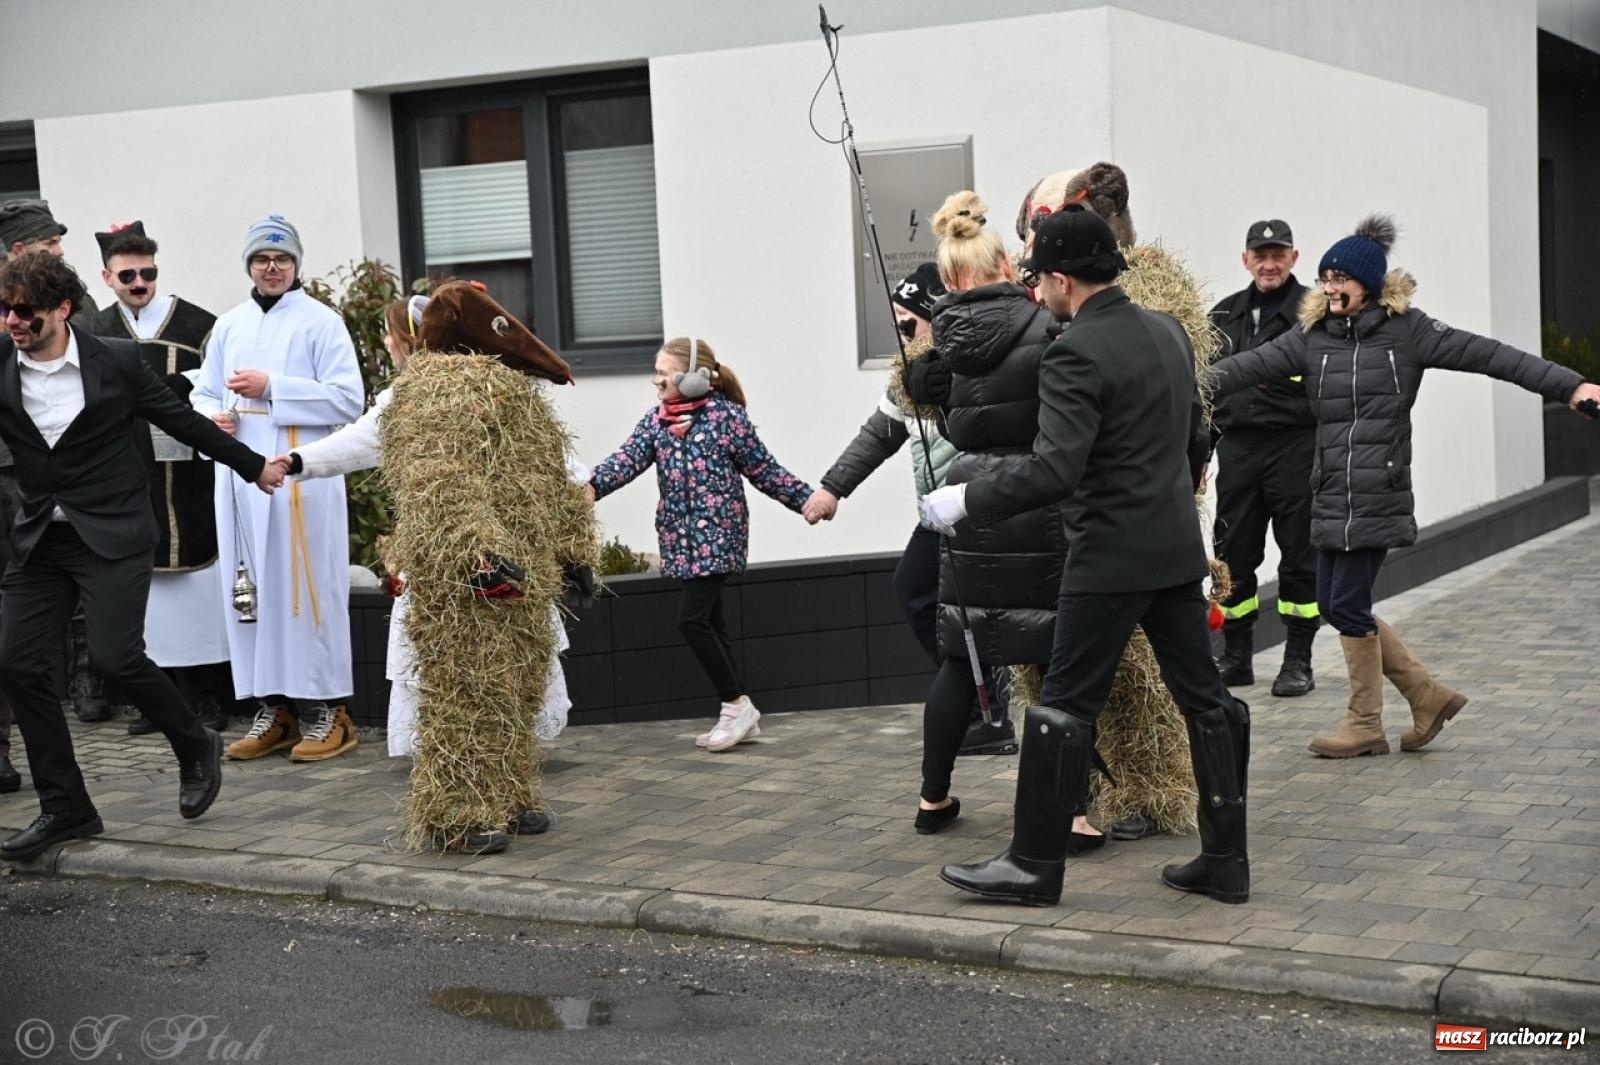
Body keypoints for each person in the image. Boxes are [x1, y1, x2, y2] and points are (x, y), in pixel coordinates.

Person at [925, 206, 1250, 908]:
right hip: (1171, 549)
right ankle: (1227, 859)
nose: (1035, 290)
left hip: (1106, 556)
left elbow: (1053, 470)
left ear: (1063, 279)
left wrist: (966, 498)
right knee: (1207, 699)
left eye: (1039, 277)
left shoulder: (1072, 352)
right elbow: (1197, 435)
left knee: (1065, 705)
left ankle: (1032, 865)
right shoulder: (1166, 331)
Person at [1211, 214, 1600, 758]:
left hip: (1376, 493)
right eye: (1325, 278)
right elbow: (1238, 369)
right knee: (1331, 601)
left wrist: (1571, 384)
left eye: (1339, 279)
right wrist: (1167, 376)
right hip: (1329, 494)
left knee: (1344, 605)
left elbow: (1494, 356)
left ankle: (1365, 722)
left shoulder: (1408, 333)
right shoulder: (1311, 339)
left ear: (1367, 285)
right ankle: (1426, 696)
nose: (1329, 288)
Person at [0, 252, 281, 862]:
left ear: (63, 310)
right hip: (40, 538)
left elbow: (181, 420)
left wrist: (254, 467)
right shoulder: (1, 363)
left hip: (115, 531)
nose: (13, 321)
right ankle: (66, 807)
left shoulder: (117, 362)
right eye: (5, 310)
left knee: (113, 655)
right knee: (17, 665)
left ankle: (193, 742)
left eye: (25, 312)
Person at [283, 288, 586, 852]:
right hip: (466, 576)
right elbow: (439, 481)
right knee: (463, 695)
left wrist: (572, 551)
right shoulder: (428, 395)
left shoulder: (509, 393)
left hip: (520, 570)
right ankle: (460, 812)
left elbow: (554, 471)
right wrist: (477, 552)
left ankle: (510, 794)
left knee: (514, 689)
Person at [898, 190, 1095, 840]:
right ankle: (1069, 808)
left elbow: (952, 415)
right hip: (1035, 502)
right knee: (1058, 657)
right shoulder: (1048, 329)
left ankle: (932, 798)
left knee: (962, 653)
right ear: (1009, 265)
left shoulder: (943, 346)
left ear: (951, 278)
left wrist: (931, 386)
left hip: (967, 503)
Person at [804, 265, 1016, 755]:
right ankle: (974, 704)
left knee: (959, 609)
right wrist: (832, 488)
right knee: (916, 593)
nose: (902, 335)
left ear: (936, 317)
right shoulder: (909, 376)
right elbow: (879, 434)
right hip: (937, 515)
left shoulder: (972, 363)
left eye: (908, 324)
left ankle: (990, 714)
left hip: (974, 509)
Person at [190, 215, 365, 764]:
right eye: (262, 259)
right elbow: (201, 390)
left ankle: (328, 711)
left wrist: (274, 391)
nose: (272, 267)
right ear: (248, 265)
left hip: (299, 480)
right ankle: (275, 708)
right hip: (240, 481)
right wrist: (211, 417)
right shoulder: (229, 325)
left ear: (295, 266)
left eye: (282, 259)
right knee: (252, 594)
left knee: (305, 592)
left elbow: (348, 400)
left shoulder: (321, 322)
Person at [587, 336, 815, 752]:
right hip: (680, 538)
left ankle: (735, 704)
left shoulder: (726, 419)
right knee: (711, 622)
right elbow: (626, 460)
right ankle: (739, 711)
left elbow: (764, 469)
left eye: (663, 372)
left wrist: (805, 500)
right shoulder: (655, 421)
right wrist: (590, 487)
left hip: (719, 536)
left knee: (691, 620)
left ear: (694, 378)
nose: (655, 380)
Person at [87, 221, 230, 735]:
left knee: (199, 586)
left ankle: (209, 695)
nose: (139, 282)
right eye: (128, 275)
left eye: (147, 272)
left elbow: (219, 384)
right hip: (130, 473)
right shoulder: (96, 331)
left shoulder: (199, 325)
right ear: (108, 277)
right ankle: (162, 699)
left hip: (190, 474)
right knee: (147, 595)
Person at [0, 199, 108, 723]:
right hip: (7, 460)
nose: (61, 253)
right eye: (49, 245)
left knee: (73, 563)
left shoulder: (68, 293)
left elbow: (93, 353)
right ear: (19, 249)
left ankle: (87, 675)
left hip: (58, 459)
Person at [1208, 220, 1319, 696]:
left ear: (1294, 258)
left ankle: (1298, 659)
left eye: (1278, 254)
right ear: (1245, 259)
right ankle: (1237, 657)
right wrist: (1198, 455)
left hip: (1295, 450)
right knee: (1231, 556)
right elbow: (1206, 392)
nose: (1269, 264)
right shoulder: (1223, 314)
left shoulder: (1314, 312)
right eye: (1260, 254)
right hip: (1238, 452)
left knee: (1300, 556)